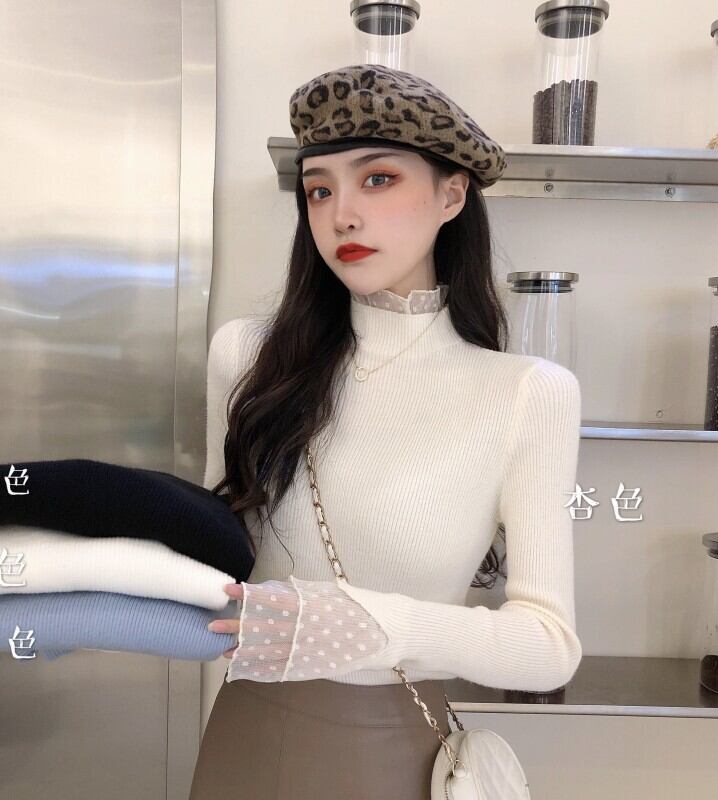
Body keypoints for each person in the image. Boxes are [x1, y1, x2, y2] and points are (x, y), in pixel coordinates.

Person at [188, 63, 582, 799]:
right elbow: (220, 573)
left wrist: (370, 623)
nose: (342, 215)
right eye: (319, 190)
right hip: (242, 739)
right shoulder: (247, 357)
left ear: (451, 195)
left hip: (394, 752)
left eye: (377, 180)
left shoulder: (526, 392)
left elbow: (549, 647)